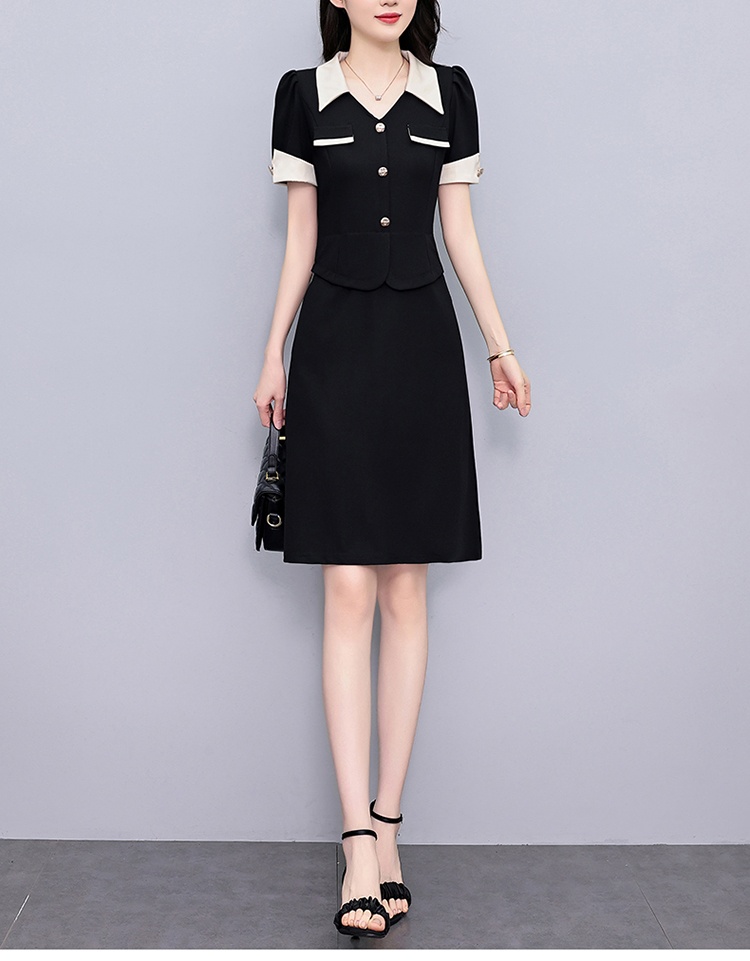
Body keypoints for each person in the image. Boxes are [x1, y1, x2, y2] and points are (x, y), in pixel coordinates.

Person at [253, 0, 531, 940]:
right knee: (346, 589)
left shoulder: (451, 93)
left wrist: (499, 345)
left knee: (407, 585)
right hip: (333, 349)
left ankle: (389, 826)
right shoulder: (302, 94)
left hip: (420, 350)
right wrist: (273, 350)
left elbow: (461, 232)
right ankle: (355, 844)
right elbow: (299, 237)